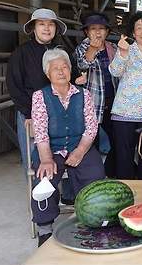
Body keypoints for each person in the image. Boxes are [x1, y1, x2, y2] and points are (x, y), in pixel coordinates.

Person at [30, 49, 105, 246]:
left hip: (78, 145)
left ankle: (90, 220)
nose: (61, 71)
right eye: (56, 68)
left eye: (65, 67)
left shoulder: (83, 94)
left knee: (94, 172)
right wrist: (46, 158)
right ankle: (45, 229)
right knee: (44, 177)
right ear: (48, 74)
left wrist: (80, 151)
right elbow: (40, 132)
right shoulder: (40, 96)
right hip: (51, 149)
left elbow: (91, 127)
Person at [7, 8, 70, 171]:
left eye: (51, 25)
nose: (47, 28)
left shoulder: (62, 52)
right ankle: (37, 195)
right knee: (33, 156)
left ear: (56, 29)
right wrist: (28, 112)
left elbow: (71, 77)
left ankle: (63, 194)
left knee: (61, 152)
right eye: (41, 24)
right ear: (34, 28)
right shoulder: (21, 53)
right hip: (31, 113)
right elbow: (14, 85)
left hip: (60, 111)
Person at [108, 12, 142, 179]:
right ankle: (127, 190)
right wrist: (123, 54)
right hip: (125, 113)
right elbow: (115, 71)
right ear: (133, 32)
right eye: (139, 28)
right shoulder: (126, 49)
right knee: (124, 157)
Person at [74, 12, 118, 176]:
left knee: (117, 140)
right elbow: (82, 64)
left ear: (107, 31)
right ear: (87, 32)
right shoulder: (82, 48)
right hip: (91, 103)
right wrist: (93, 48)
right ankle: (92, 176)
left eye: (102, 29)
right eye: (93, 29)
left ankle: (110, 172)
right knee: (91, 141)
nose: (98, 32)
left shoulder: (112, 48)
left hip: (113, 100)